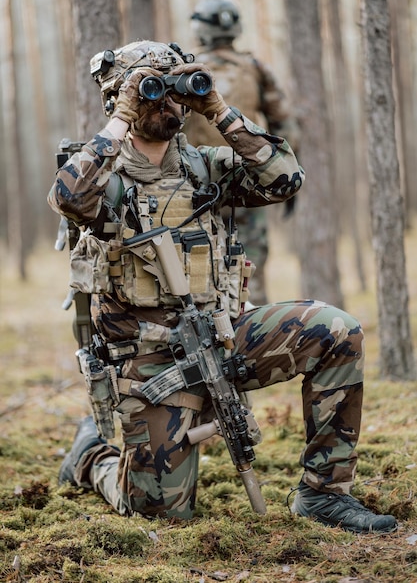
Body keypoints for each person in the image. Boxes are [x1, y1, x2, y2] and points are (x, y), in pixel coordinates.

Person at [48, 39, 396, 533]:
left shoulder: (202, 167)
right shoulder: (104, 174)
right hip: (150, 363)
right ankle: (91, 458)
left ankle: (324, 494)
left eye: (172, 91)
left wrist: (218, 109)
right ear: (119, 99)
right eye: (149, 92)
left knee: (335, 330)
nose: (164, 102)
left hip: (223, 336)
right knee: (161, 512)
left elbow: (285, 178)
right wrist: (120, 120)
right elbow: (67, 196)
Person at [184, 0, 301, 305]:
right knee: (250, 274)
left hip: (193, 190)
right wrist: (285, 174)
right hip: (246, 187)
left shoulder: (185, 71)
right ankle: (253, 337)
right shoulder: (255, 68)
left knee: (193, 275)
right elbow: (285, 126)